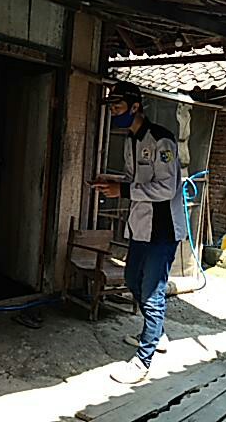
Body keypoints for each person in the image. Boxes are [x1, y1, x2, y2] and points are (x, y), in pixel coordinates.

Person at [94, 81, 186, 384]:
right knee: (133, 280)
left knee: (152, 292)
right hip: (141, 227)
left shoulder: (162, 140)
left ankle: (143, 360)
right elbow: (135, 180)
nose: (114, 112)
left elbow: (167, 188)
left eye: (118, 106)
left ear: (135, 107)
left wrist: (123, 190)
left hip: (163, 230)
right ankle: (156, 333)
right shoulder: (130, 140)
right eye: (111, 107)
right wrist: (114, 182)